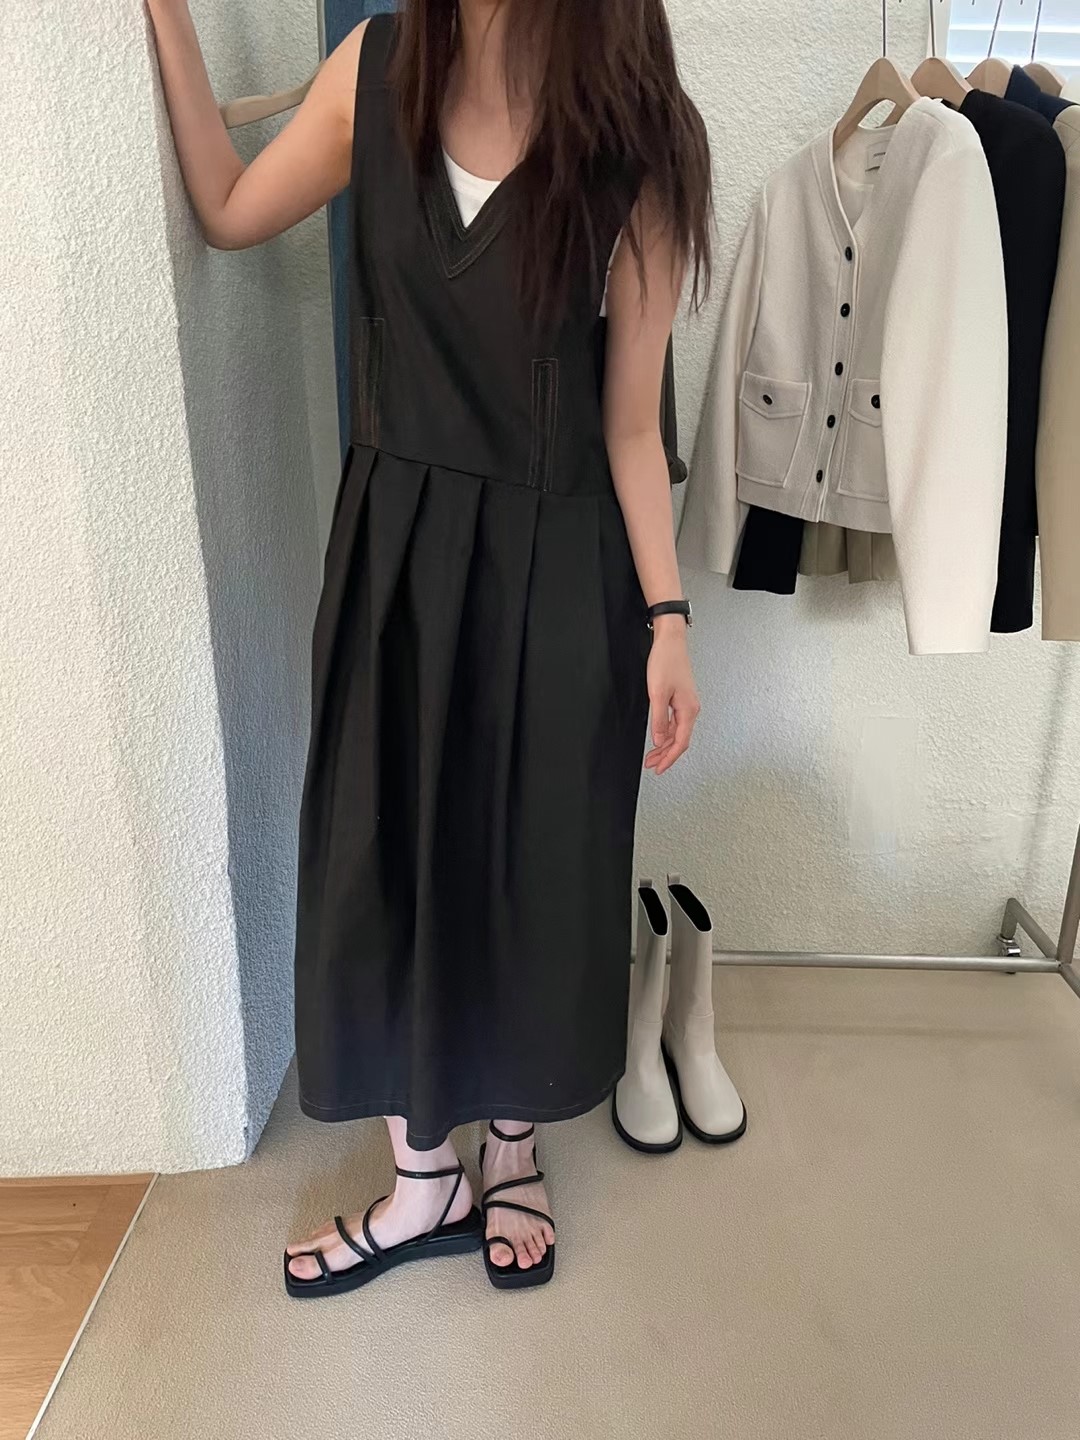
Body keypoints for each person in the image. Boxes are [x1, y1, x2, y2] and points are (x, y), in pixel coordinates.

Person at [148, 0, 710, 1294]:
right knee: (390, 843)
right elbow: (228, 207)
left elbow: (632, 425)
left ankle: (511, 1146)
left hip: (562, 561)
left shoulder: (641, 128)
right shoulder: (379, 66)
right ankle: (423, 1180)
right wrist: (168, 14)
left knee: (531, 855)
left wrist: (668, 622)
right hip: (397, 554)